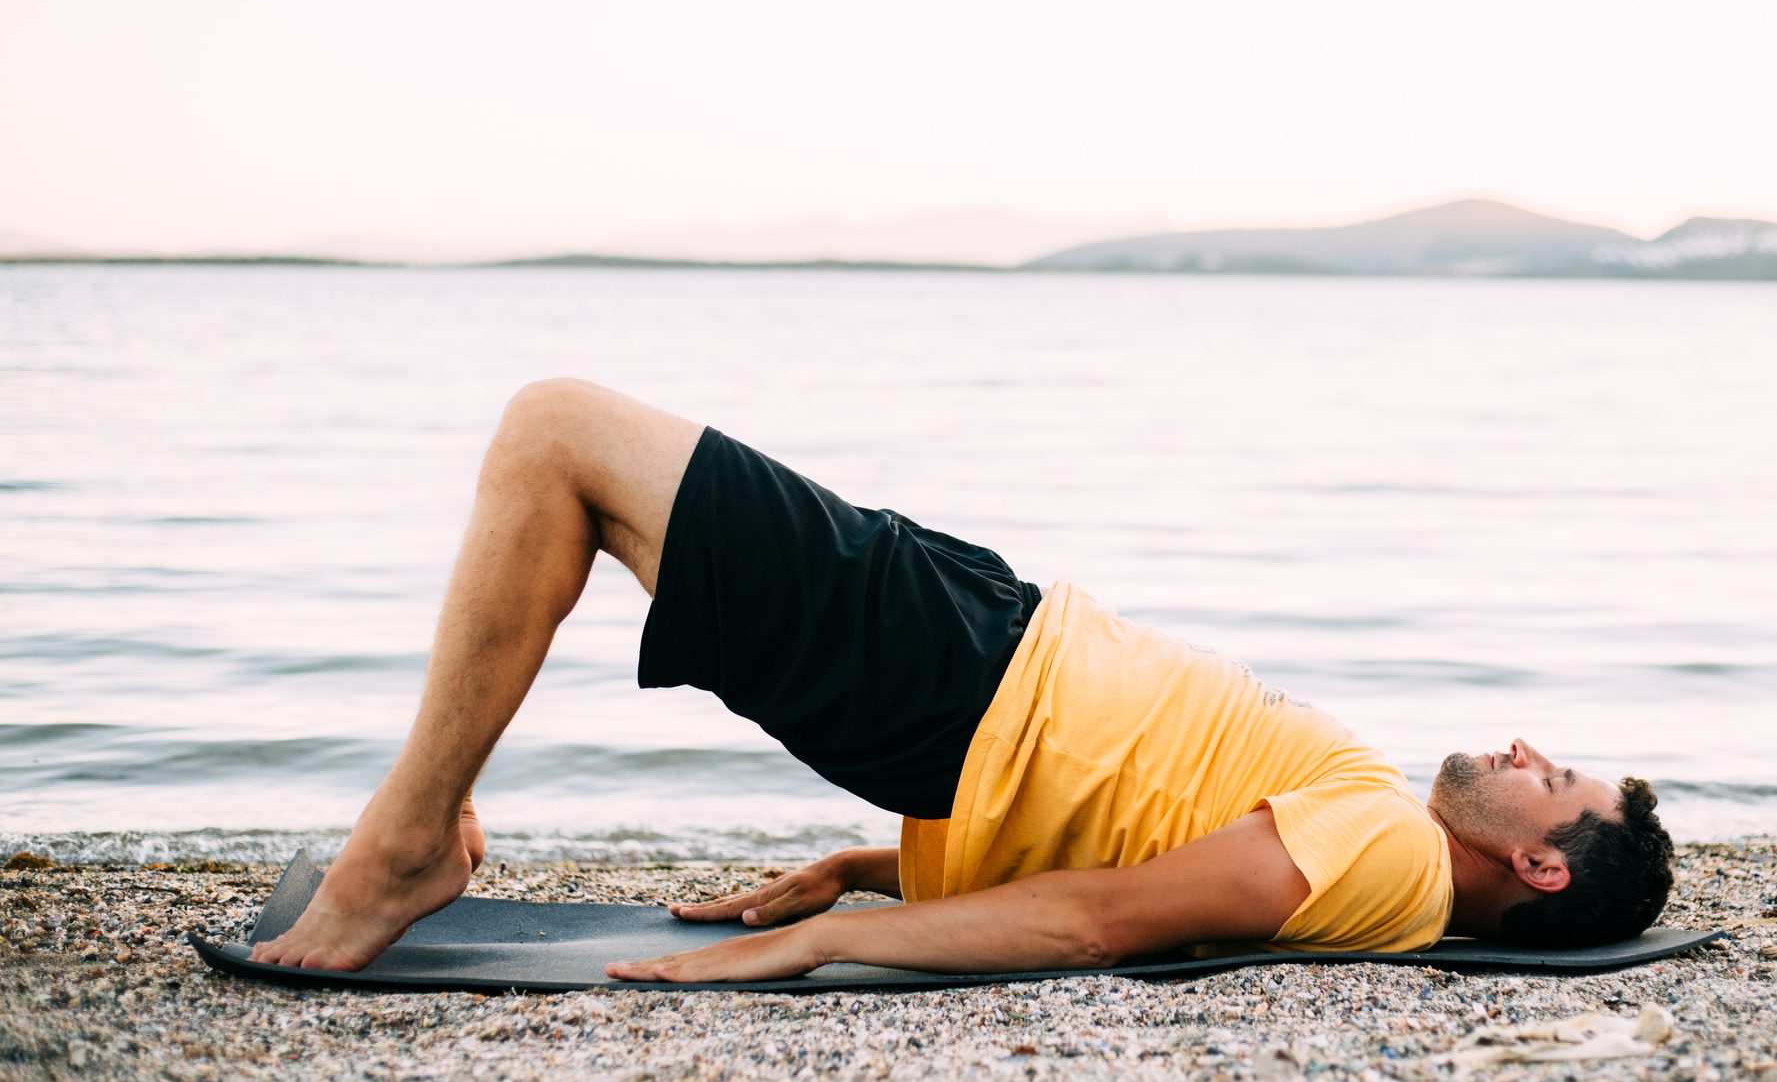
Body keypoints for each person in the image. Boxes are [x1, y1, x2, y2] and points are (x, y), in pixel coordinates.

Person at [249, 379, 1675, 982]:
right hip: (982, 643)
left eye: (1552, 777)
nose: (1523, 747)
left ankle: (410, 837)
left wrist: (825, 942)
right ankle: (424, 818)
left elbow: (1102, 918)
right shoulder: (1384, 845)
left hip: (965, 680)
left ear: (1541, 866)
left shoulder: (1388, 859)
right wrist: (865, 869)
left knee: (557, 434)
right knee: (601, 496)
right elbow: (1144, 848)